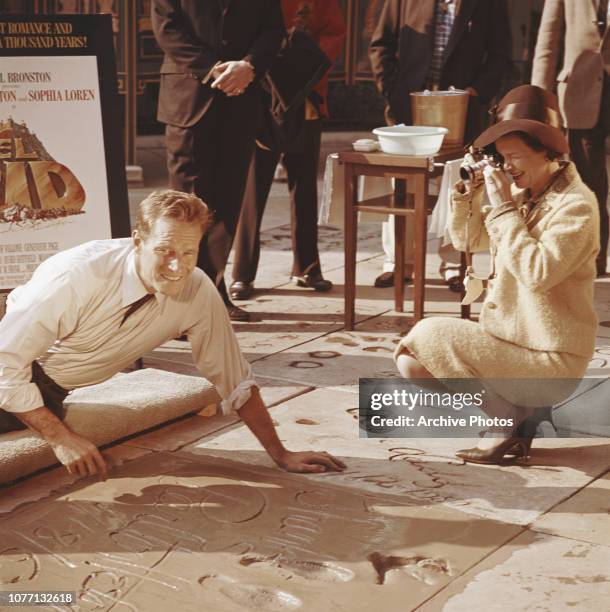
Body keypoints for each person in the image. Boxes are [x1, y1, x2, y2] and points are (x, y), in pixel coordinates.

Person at [0, 190, 346, 479]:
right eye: (164, 251)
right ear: (138, 241)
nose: (177, 267)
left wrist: (281, 454)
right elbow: (5, 361)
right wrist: (60, 439)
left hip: (50, 389)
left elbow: (233, 376)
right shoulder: (76, 275)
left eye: (188, 253)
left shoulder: (198, 290)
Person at [393, 85, 599, 464]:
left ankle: (510, 421)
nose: (507, 168)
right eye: (502, 159)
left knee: (426, 336)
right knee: (413, 355)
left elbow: (538, 273)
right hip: (511, 342)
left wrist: (502, 206)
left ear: (549, 152)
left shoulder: (576, 207)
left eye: (515, 156)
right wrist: (467, 197)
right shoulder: (526, 193)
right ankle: (521, 416)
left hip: (550, 358)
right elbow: (467, 239)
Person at [152, 0, 285, 322]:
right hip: (189, 100)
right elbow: (168, 29)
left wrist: (249, 66)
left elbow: (273, 30)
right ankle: (178, 299)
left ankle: (212, 291)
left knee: (226, 205)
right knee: (186, 207)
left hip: (241, 101)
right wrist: (213, 69)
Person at [368, 0, 512, 290]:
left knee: (457, 187)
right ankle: (398, 263)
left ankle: (453, 264)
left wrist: (477, 91)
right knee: (403, 186)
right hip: (408, 105)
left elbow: (500, 55)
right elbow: (381, 45)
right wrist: (391, 90)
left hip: (462, 108)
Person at [229, 0, 346, 301]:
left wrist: (300, 65)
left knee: (305, 185)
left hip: (306, 94)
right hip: (261, 96)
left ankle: (307, 267)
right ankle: (243, 273)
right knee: (253, 190)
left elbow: (333, 34)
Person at [531, 0, 610, 276]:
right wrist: (538, 98)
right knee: (589, 185)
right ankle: (592, 258)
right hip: (580, 93)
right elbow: (548, 40)